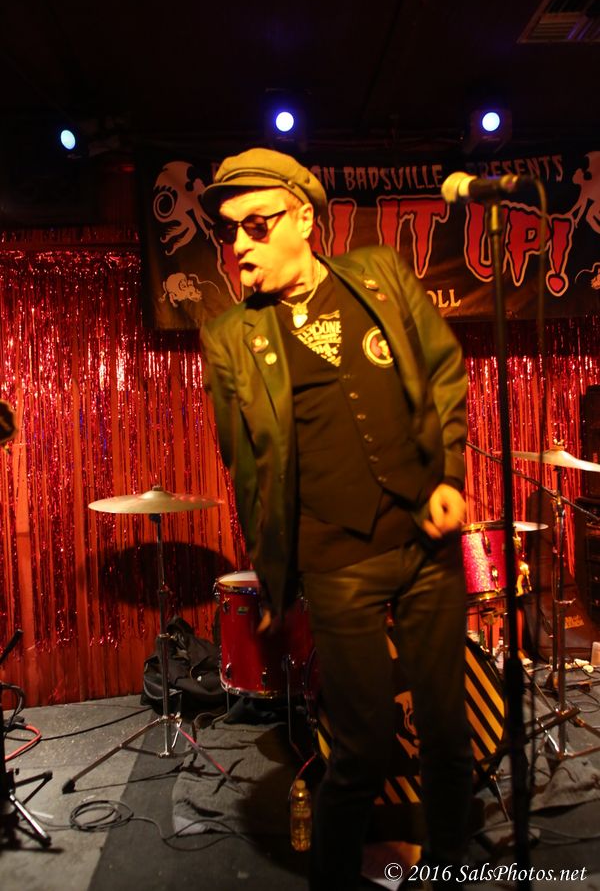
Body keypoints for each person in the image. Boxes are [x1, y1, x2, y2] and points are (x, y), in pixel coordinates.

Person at [200, 148, 473, 890]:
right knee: (361, 749)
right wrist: (274, 578)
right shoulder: (230, 338)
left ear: (304, 220)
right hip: (335, 563)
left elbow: (444, 372)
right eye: (230, 231)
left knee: (448, 736)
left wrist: (448, 474)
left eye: (256, 225)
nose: (239, 245)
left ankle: (448, 872)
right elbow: (246, 468)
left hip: (424, 545)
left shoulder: (380, 273)